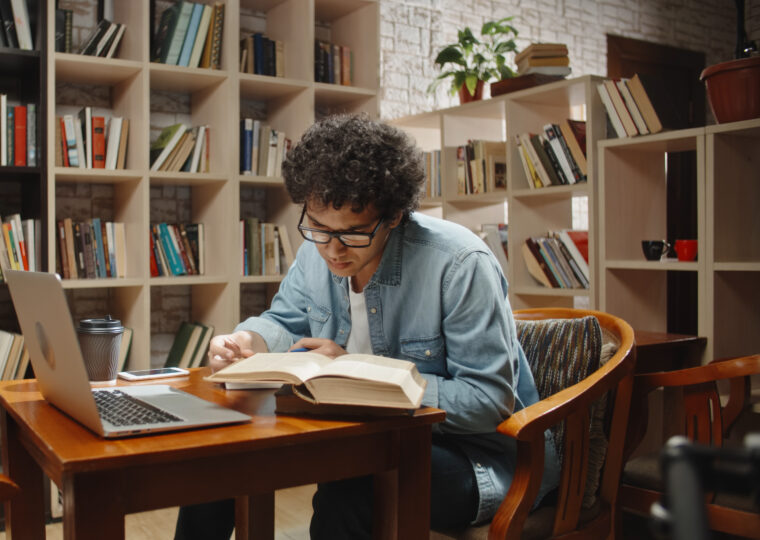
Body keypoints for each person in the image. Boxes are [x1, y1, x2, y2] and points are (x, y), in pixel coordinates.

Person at [174, 113, 560, 539]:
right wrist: (248, 339)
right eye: (318, 228)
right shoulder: (315, 252)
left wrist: (360, 371)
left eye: (353, 234)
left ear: (394, 216)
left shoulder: (461, 265)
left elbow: (488, 401)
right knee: (217, 458)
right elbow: (284, 320)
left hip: (480, 460)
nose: (332, 251)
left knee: (352, 484)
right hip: (368, 439)